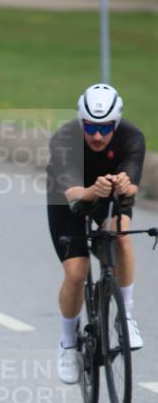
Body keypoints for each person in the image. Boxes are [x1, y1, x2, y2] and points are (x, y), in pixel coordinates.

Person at [46, 83, 146, 383]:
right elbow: (72, 190)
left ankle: (125, 317)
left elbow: (133, 182)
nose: (98, 136)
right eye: (90, 127)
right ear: (81, 122)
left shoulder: (132, 137)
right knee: (76, 273)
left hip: (111, 195)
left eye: (105, 128)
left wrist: (126, 186)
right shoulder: (65, 138)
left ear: (116, 124)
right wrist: (93, 190)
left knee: (122, 238)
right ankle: (67, 342)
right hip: (68, 199)